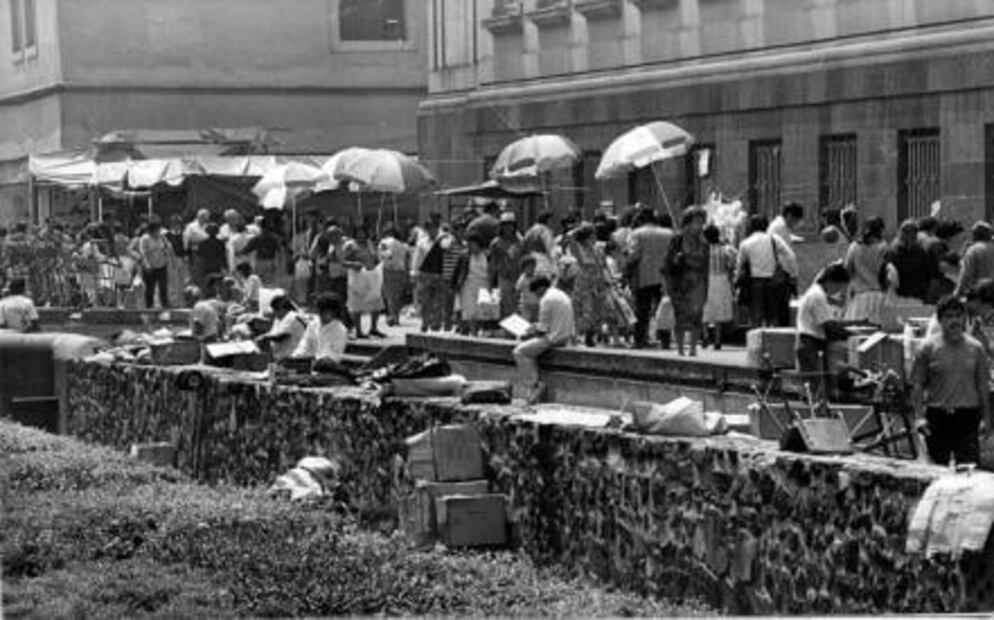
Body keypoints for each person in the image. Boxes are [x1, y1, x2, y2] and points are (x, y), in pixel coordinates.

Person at [911, 295, 991, 466]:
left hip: (968, 416)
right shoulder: (927, 348)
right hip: (938, 416)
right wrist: (919, 417)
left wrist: (986, 418)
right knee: (937, 471)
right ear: (940, 320)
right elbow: (917, 385)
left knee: (969, 473)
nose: (954, 321)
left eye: (958, 316)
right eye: (948, 316)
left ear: (964, 318)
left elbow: (982, 385)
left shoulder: (976, 348)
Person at [512, 276, 574, 405]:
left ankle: (534, 386)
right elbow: (548, 323)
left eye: (535, 293)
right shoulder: (560, 294)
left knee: (519, 351)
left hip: (554, 338)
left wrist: (527, 333)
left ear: (540, 288)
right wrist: (535, 327)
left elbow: (542, 332)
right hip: (565, 335)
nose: (536, 296)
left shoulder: (546, 299)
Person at [736, 214, 798, 328]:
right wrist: (793, 274)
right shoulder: (774, 239)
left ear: (751, 227)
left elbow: (739, 265)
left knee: (756, 314)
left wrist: (736, 282)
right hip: (773, 282)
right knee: (772, 314)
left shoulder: (745, 243)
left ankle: (756, 339)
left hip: (755, 283)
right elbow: (791, 256)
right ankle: (772, 337)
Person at [665, 207, 710, 356]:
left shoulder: (703, 243)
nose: (700, 226)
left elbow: (706, 266)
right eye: (697, 222)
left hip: (698, 283)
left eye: (702, 222)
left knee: (697, 315)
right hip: (680, 282)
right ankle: (680, 349)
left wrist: (706, 287)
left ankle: (692, 348)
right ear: (687, 223)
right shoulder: (677, 239)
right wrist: (676, 259)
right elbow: (667, 262)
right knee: (681, 316)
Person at [626, 206, 673, 348]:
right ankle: (665, 340)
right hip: (664, 276)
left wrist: (626, 263)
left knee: (642, 310)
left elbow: (634, 255)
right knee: (663, 308)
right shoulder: (668, 233)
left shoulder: (637, 233)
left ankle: (640, 340)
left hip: (644, 276)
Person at [795, 262, 851, 382]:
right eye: (839, 286)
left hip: (811, 341)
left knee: (817, 384)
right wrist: (850, 335)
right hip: (810, 343)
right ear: (831, 281)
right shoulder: (817, 296)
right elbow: (828, 325)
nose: (838, 291)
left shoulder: (818, 293)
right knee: (816, 384)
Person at [843, 216, 891, 325]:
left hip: (859, 296)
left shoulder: (854, 247)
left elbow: (847, 271)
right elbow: (886, 272)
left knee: (857, 332)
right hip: (878, 295)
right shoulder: (883, 247)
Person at [343, 225, 384, 338]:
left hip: (371, 276)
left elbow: (376, 257)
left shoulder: (370, 244)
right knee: (357, 304)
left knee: (376, 302)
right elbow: (343, 261)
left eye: (363, 232)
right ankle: (359, 331)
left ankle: (373, 328)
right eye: (359, 232)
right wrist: (353, 264)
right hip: (357, 276)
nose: (361, 235)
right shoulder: (350, 245)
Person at [701, 224, 736, 350]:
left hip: (705, 280)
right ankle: (717, 339)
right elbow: (732, 265)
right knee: (719, 310)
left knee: (704, 308)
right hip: (721, 280)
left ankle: (705, 336)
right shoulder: (726, 249)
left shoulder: (701, 250)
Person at [293, 293, 349, 362]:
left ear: (334, 312)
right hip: (308, 365)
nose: (321, 315)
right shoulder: (313, 325)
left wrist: (317, 360)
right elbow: (304, 346)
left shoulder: (341, 330)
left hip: (327, 369)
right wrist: (295, 357)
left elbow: (335, 356)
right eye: (320, 312)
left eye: (326, 312)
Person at [886, 219, 931, 303]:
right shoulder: (893, 251)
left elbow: (927, 272)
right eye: (907, 232)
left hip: (918, 294)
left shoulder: (921, 251)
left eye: (913, 232)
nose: (910, 235)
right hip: (899, 295)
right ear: (901, 233)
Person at [489, 211, 523, 320]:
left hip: (519, 278)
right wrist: (490, 283)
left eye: (511, 225)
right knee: (506, 307)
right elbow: (492, 264)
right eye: (506, 225)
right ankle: (507, 333)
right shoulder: (496, 243)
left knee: (519, 307)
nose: (509, 228)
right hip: (504, 278)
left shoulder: (520, 241)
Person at [454, 233, 490, 335]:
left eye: (473, 244)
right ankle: (473, 333)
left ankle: (481, 331)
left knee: (483, 312)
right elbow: (457, 271)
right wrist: (455, 285)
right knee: (470, 311)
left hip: (484, 284)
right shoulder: (464, 255)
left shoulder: (487, 255)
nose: (470, 247)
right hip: (468, 284)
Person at [256, 295, 308, 360]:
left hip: (294, 358)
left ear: (284, 309)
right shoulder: (279, 319)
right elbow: (273, 334)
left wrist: (265, 337)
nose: (274, 312)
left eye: (276, 309)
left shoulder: (292, 316)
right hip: (281, 357)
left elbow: (282, 336)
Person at [378, 226, 410, 327]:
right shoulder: (403, 245)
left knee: (389, 296)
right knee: (397, 296)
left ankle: (392, 317)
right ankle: (396, 316)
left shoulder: (384, 242)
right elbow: (407, 259)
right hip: (401, 271)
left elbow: (385, 255)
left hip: (389, 269)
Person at [138, 220, 173, 309]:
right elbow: (143, 253)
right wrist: (147, 264)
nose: (158, 231)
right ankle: (149, 308)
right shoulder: (145, 238)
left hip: (162, 265)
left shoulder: (162, 237)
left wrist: (169, 257)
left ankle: (165, 306)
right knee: (150, 289)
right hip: (150, 267)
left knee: (163, 287)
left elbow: (168, 248)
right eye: (157, 229)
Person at [956, 221, 994, 297]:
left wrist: (957, 294)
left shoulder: (974, 250)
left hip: (980, 294)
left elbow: (966, 274)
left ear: (975, 235)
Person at [196, 224, 227, 289]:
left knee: (206, 285)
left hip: (206, 267)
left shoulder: (202, 243)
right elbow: (223, 257)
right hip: (216, 267)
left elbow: (200, 258)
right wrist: (225, 267)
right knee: (218, 284)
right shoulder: (220, 243)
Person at [516, 254, 540, 322]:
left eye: (533, 267)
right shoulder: (522, 279)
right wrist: (517, 305)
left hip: (537, 304)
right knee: (526, 322)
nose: (531, 269)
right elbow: (517, 292)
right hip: (526, 305)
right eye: (529, 267)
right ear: (524, 268)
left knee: (537, 322)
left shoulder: (537, 276)